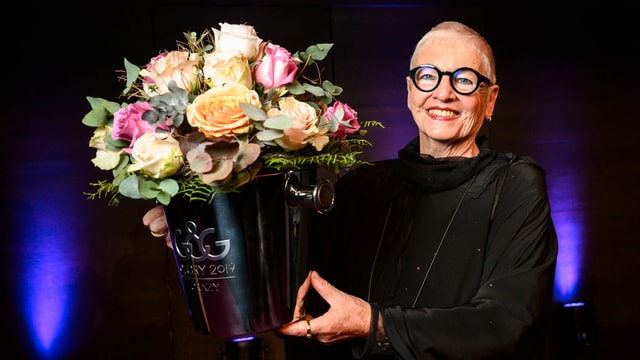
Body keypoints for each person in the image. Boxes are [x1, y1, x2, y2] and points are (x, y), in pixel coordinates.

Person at [143, 20, 558, 359]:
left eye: (464, 80)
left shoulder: (515, 184)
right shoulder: (363, 185)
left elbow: (508, 322)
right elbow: (295, 274)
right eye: (428, 76)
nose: (443, 93)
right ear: (410, 89)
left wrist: (372, 323)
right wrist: (203, 225)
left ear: (490, 100)